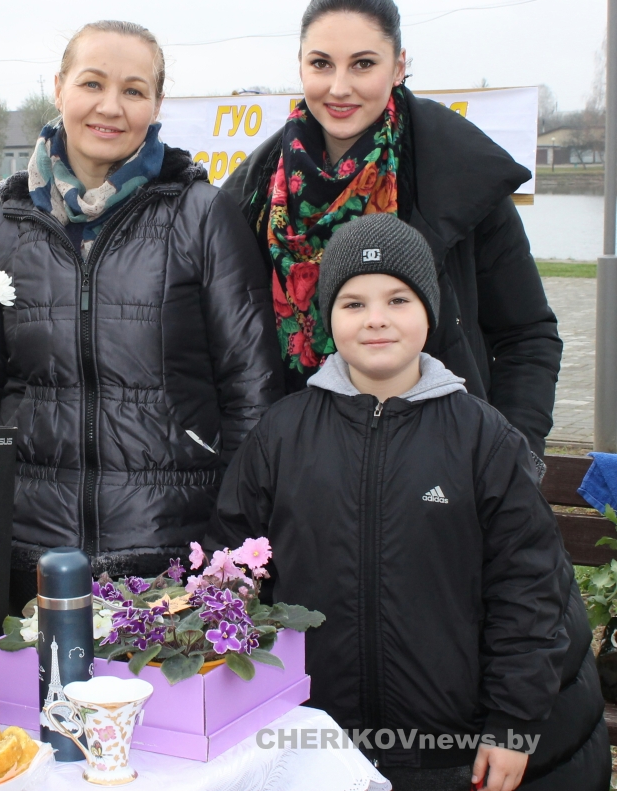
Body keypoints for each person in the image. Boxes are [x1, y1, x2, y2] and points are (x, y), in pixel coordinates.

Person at [207, 214, 608, 791]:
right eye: (353, 303)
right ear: (327, 318)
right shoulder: (282, 433)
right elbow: (236, 568)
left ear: (429, 312)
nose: (376, 319)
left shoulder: (483, 437)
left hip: (449, 748)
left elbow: (528, 590)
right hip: (314, 742)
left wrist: (512, 726)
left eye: (398, 299)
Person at [0, 20, 282, 608]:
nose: (110, 107)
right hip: (30, 554)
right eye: (92, 83)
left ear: (156, 103)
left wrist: (228, 542)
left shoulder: (200, 215)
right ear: (59, 88)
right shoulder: (2, 226)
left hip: (171, 553)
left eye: (133, 90)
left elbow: (250, 391)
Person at [222, 0, 562, 476]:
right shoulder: (251, 194)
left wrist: (514, 458)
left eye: (363, 64)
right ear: (300, 68)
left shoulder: (462, 175)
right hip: (297, 473)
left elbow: (527, 335)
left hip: (439, 470)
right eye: (321, 64)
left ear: (399, 65)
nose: (340, 87)